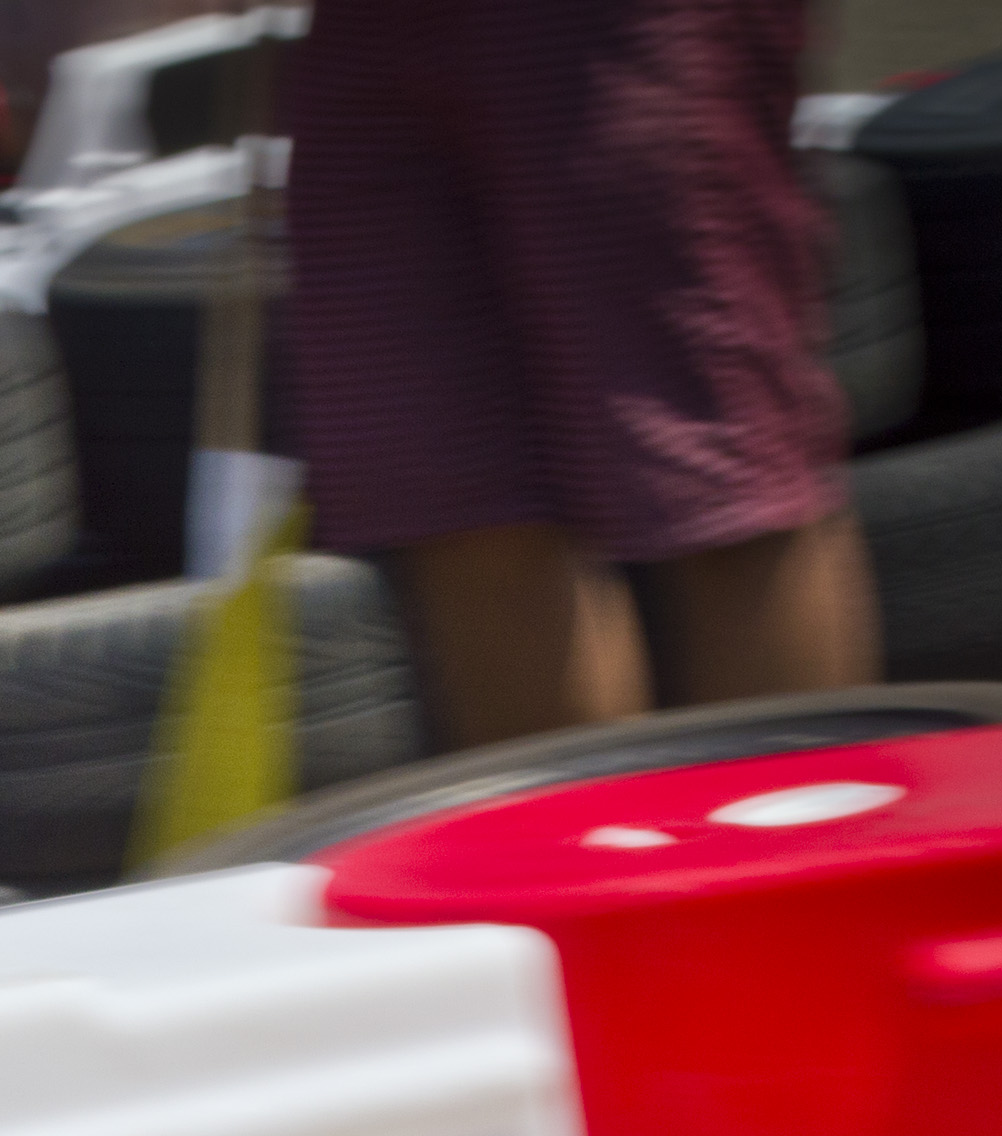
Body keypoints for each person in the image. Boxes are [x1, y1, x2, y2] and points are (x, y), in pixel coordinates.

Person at [283, 0, 881, 748]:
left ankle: (797, 817)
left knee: (712, 478)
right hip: (362, 32)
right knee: (459, 498)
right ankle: (585, 826)